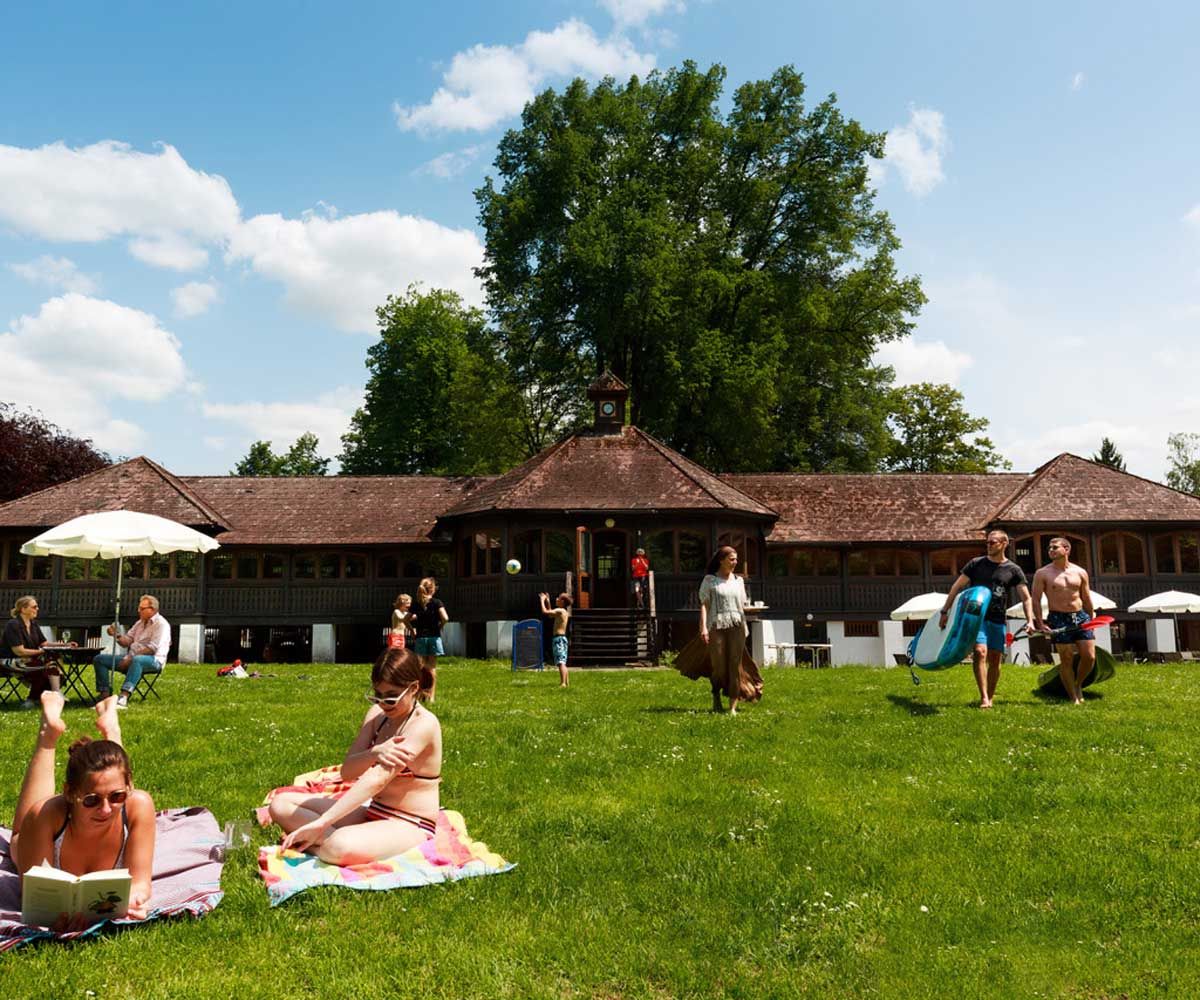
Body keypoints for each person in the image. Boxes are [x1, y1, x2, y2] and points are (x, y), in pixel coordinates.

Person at [269, 647, 441, 863]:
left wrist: (322, 822)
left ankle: (317, 844)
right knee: (280, 804)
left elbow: (377, 779)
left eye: (391, 697)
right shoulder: (377, 716)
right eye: (378, 695)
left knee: (339, 845)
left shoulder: (423, 724)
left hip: (409, 822)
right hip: (374, 812)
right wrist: (374, 753)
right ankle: (322, 841)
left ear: (413, 688)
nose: (382, 703)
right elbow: (348, 771)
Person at [10, 693, 155, 923]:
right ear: (69, 793)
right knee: (21, 831)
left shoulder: (138, 805)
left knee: (112, 773)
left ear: (129, 788)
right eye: (91, 800)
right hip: (44, 828)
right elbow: (35, 897)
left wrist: (135, 901)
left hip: (108, 789)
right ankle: (48, 735)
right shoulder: (45, 816)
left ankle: (112, 731)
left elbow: (140, 883)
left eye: (117, 797)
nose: (106, 810)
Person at [939, 530, 1034, 709]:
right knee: (980, 652)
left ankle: (990, 696)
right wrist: (945, 611)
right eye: (988, 542)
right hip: (976, 617)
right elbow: (957, 587)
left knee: (995, 658)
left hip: (997, 618)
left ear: (1004, 544)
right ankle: (983, 697)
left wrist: (1030, 620)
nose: (989, 545)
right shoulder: (976, 564)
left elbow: (1026, 598)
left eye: (993, 542)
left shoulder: (1013, 570)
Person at [1032, 536, 1096, 705]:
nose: (1050, 550)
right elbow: (1036, 599)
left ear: (1066, 550)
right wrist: (1040, 622)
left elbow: (1086, 597)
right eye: (1049, 548)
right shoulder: (1042, 573)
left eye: (1054, 547)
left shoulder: (1080, 572)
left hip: (1080, 616)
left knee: (1089, 657)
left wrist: (1091, 618)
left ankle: (1078, 684)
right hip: (1058, 618)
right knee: (1066, 657)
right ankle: (1073, 696)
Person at [93, 594, 170, 709]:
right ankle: (105, 695)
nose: (139, 611)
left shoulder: (161, 624)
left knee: (137, 660)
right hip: (131, 658)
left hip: (154, 660)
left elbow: (152, 649)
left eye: (142, 609)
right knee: (99, 659)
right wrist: (116, 635)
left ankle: (123, 696)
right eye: (139, 608)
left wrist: (131, 657)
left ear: (152, 609)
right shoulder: (139, 623)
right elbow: (127, 641)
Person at [699, 545, 749, 715]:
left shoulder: (739, 581)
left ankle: (732, 707)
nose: (735, 562)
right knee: (719, 666)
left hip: (737, 625)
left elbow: (742, 605)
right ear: (721, 560)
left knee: (735, 665)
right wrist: (704, 627)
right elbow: (704, 605)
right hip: (716, 625)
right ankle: (716, 695)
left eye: (736, 559)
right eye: (732, 559)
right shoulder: (710, 580)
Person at [2, 595, 61, 709]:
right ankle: (32, 700)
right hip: (10, 661)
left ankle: (54, 695)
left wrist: (64, 644)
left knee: (52, 663)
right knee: (42, 668)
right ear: (23, 609)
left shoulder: (33, 624)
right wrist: (40, 653)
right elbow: (19, 651)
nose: (37, 609)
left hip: (28, 660)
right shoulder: (13, 625)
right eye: (34, 607)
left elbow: (44, 644)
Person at [411, 578, 448, 702]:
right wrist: (441, 625)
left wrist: (412, 630)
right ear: (432, 589)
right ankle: (431, 697)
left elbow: (406, 619)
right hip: (434, 638)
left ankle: (418, 695)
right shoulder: (437, 602)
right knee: (432, 668)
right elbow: (445, 618)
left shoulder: (417, 604)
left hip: (421, 638)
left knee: (420, 668)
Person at [538, 591, 573, 687]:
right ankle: (566, 682)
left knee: (560, 662)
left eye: (558, 598)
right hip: (562, 639)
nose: (556, 599)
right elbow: (550, 614)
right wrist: (548, 601)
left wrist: (542, 600)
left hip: (558, 639)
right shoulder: (563, 612)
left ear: (562, 602)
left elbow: (545, 612)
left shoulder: (560, 610)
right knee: (563, 661)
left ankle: (563, 683)